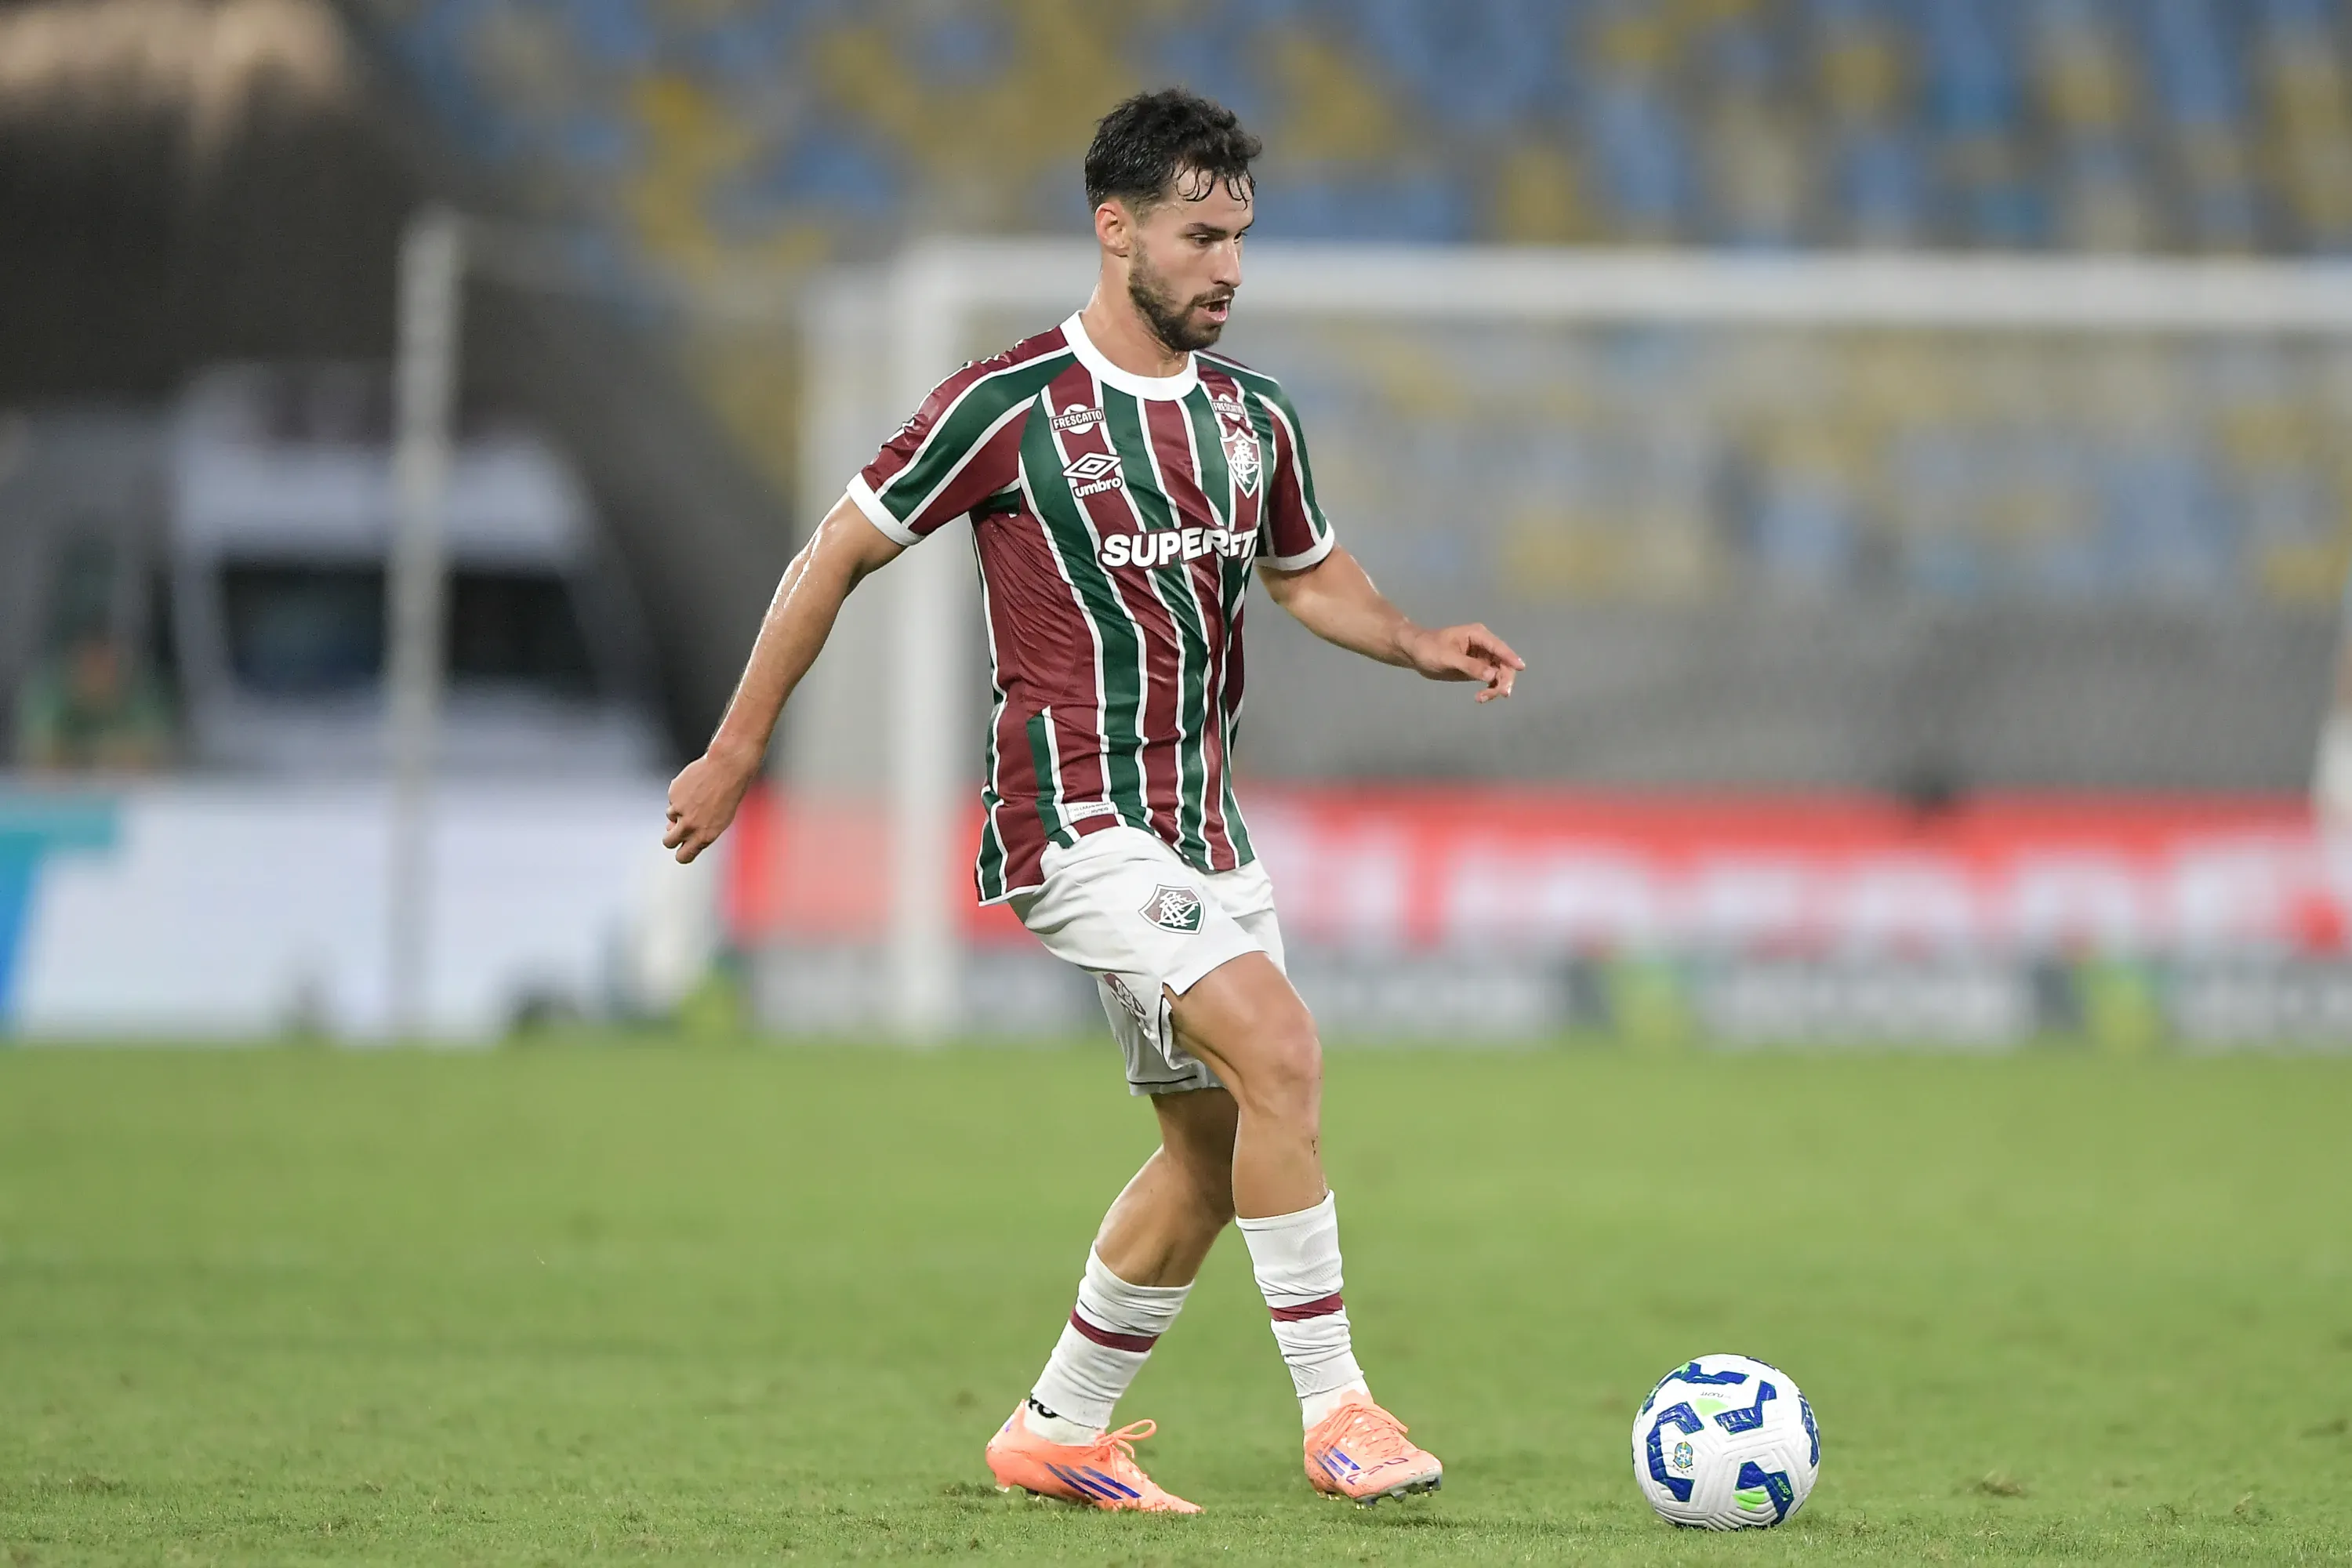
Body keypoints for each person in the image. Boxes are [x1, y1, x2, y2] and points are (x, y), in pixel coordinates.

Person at [662, 88, 1523, 1512]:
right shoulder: (1007, 406)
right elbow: (836, 551)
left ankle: (1056, 1426)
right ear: (1115, 229)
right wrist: (739, 747)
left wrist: (1415, 641)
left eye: (1240, 239)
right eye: (1199, 238)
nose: (1228, 269)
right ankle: (1341, 1413)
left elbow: (1308, 573)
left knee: (1212, 1148)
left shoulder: (1253, 418)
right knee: (1283, 1050)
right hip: (1075, 822)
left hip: (1205, 832)